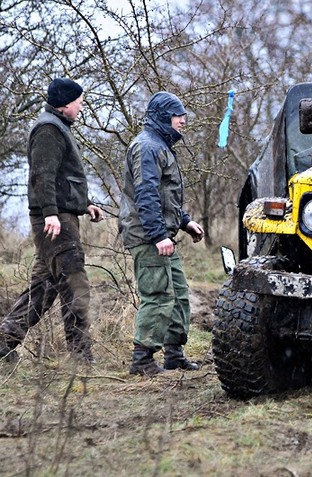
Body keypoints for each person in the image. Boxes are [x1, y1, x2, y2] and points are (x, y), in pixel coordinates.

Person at [0, 78, 104, 364]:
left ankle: (4, 339)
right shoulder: (48, 129)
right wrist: (51, 214)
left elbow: (62, 178)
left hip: (61, 216)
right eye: (79, 101)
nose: (82, 106)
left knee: (43, 287)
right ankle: (81, 357)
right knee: (74, 282)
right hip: (54, 221)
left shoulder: (58, 127)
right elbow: (42, 176)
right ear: (66, 103)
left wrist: (86, 205)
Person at [119, 91, 205, 376]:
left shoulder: (161, 146)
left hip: (162, 233)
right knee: (157, 295)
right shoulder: (147, 147)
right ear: (163, 118)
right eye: (178, 116)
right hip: (147, 237)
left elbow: (166, 197)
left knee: (179, 293)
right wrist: (158, 236)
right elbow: (146, 195)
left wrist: (185, 222)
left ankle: (174, 354)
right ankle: (142, 359)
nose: (183, 121)